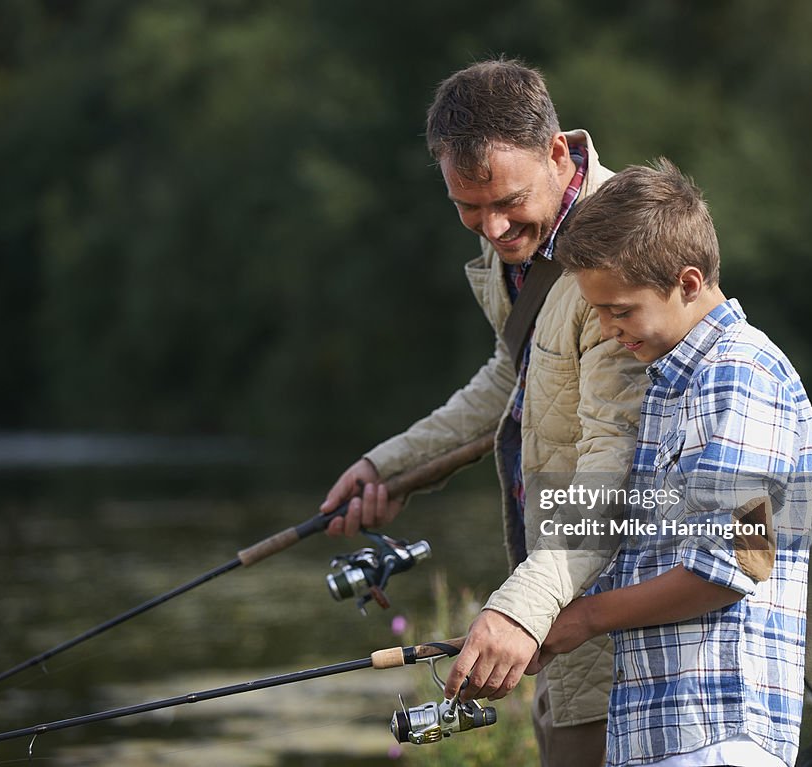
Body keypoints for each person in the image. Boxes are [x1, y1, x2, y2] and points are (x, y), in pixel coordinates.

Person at [319, 58, 647, 766]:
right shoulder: (524, 232)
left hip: (629, 645)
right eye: (467, 207)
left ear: (557, 152)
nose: (493, 227)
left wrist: (517, 608)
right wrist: (391, 467)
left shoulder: (627, 252)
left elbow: (612, 473)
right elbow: (516, 375)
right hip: (557, 618)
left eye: (506, 201)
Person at [521, 158, 812, 767]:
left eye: (620, 310)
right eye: (597, 310)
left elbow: (730, 566)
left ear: (687, 282)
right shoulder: (670, 386)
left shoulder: (737, 375)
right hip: (668, 737)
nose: (605, 327)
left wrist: (585, 618)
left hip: (718, 739)